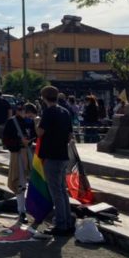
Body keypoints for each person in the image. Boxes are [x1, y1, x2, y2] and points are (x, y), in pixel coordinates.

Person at [37, 85, 75, 237]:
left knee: (56, 193)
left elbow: (40, 133)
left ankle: (60, 224)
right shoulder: (65, 111)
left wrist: (36, 123)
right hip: (63, 154)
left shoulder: (48, 112)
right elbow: (70, 136)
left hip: (51, 155)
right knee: (62, 191)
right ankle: (67, 222)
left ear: (44, 98)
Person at [3, 102, 38, 223]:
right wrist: (19, 142)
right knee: (19, 182)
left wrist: (31, 140)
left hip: (30, 153)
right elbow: (6, 139)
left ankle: (34, 210)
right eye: (27, 114)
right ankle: (21, 210)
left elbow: (35, 136)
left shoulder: (31, 122)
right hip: (17, 154)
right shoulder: (12, 122)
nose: (29, 117)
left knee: (33, 183)